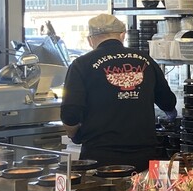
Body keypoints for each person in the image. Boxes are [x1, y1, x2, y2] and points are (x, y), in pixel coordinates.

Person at [59, 13, 177, 170]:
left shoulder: (81, 64)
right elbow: (168, 102)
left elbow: (70, 113)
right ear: (123, 35)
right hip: (144, 154)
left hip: (100, 156)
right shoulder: (146, 60)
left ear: (90, 39)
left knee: (101, 187)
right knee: (142, 187)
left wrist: (74, 135)